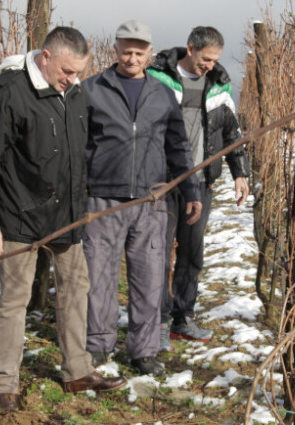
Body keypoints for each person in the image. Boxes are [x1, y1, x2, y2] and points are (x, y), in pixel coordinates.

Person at [0, 27, 127, 413]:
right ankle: (5, 381)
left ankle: (77, 371)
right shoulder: (9, 93)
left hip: (66, 216)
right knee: (15, 298)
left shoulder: (75, 93)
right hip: (19, 214)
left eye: (79, 73)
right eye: (67, 71)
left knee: (76, 288)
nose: (72, 79)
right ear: (45, 56)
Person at [82, 20, 202, 377]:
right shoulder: (91, 89)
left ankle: (144, 350)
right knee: (98, 277)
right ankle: (98, 344)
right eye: (126, 51)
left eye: (139, 52)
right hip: (102, 200)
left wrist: (191, 190)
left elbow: (178, 145)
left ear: (149, 53)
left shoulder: (162, 94)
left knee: (149, 279)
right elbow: (77, 146)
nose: (132, 58)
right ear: (115, 50)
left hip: (152, 201)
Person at [148, 26, 251, 350]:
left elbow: (232, 132)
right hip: (163, 181)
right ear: (190, 49)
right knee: (158, 254)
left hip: (201, 182)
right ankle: (157, 321)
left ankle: (183, 318)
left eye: (215, 60)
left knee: (192, 253)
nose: (210, 65)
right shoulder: (158, 78)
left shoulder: (219, 85)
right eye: (206, 58)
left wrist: (240, 173)